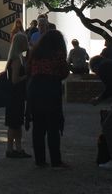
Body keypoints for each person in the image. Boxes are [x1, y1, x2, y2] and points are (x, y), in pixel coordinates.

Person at [26, 29, 69, 168]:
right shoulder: (58, 54)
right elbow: (64, 72)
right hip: (51, 90)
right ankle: (55, 161)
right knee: (53, 127)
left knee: (38, 127)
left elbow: (29, 71)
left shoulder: (35, 54)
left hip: (35, 90)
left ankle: (40, 160)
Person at [4, 32, 30, 159]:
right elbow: (15, 80)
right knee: (14, 123)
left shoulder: (16, 57)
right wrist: (27, 75)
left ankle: (16, 148)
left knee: (15, 124)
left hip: (14, 95)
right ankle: (12, 148)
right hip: (15, 95)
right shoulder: (16, 59)